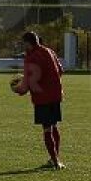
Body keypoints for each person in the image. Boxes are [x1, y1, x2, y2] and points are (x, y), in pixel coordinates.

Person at [17, 31, 66, 170]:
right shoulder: (49, 51)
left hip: (42, 98)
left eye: (23, 43)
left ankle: (56, 162)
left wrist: (17, 89)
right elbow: (61, 70)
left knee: (47, 130)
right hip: (56, 95)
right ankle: (55, 159)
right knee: (54, 126)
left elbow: (25, 86)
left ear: (27, 43)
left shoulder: (30, 58)